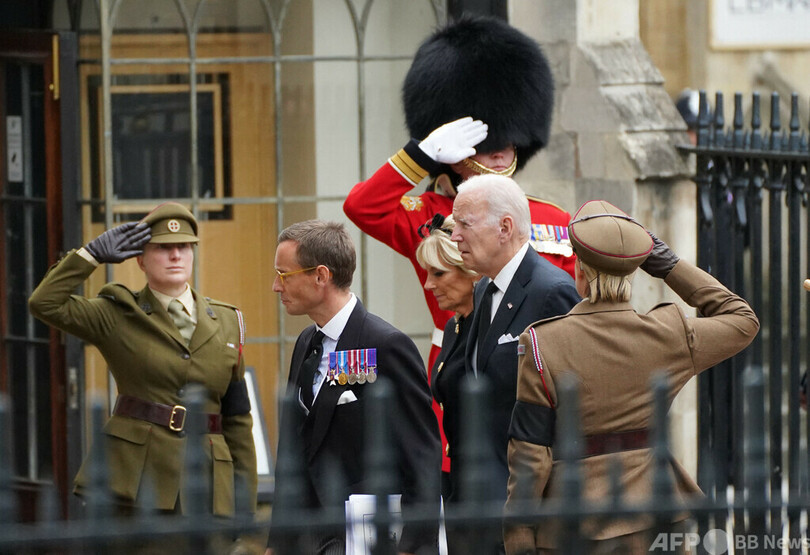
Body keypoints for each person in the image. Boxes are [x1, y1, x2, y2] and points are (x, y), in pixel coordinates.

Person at [344, 15, 575, 477]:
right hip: (461, 374)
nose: (501, 145)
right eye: (488, 138)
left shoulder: (554, 219)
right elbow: (363, 206)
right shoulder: (427, 212)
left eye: (506, 137)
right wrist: (422, 153)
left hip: (537, 382)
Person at [503, 200, 760, 554]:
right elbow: (742, 318)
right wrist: (668, 265)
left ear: (579, 269)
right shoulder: (669, 334)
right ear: (636, 269)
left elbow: (531, 453)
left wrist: (519, 540)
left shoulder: (541, 342)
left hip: (573, 523)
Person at [28, 202, 258, 517]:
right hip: (137, 485)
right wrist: (90, 255)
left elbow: (237, 417)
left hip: (208, 488)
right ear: (140, 259)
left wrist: (244, 509)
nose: (176, 255)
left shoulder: (228, 320)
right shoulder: (117, 313)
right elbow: (44, 303)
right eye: (163, 247)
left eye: (184, 247)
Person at [266, 220, 441, 555]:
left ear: (320, 276)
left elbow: (421, 454)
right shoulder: (307, 341)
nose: (276, 286)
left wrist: (410, 546)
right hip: (310, 536)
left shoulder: (386, 345)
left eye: (284, 275)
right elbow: (295, 450)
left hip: (367, 535)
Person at [450, 174, 580, 553]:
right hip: (477, 506)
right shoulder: (482, 289)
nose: (455, 236)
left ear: (505, 227)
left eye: (464, 224)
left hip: (526, 511)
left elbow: (569, 409)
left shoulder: (552, 291)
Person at [415, 214, 478, 500]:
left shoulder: (493, 326)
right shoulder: (453, 326)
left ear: (471, 270)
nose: (428, 285)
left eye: (438, 273)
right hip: (457, 477)